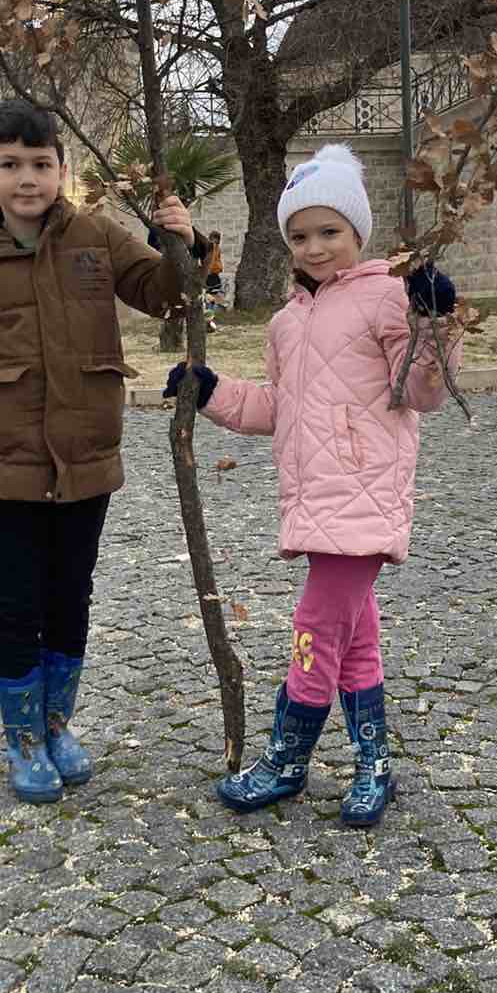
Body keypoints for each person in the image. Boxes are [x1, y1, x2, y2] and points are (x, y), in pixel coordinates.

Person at [0, 99, 209, 804]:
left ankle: (57, 723)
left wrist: (184, 244)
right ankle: (22, 736)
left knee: (71, 596)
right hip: (6, 465)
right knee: (16, 602)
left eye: (41, 164)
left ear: (63, 169)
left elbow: (165, 296)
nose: (27, 178)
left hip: (86, 457)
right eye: (11, 164)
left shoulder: (95, 234)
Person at [164, 143, 459, 827]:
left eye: (329, 232)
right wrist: (209, 392)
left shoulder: (390, 296)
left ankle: (288, 759)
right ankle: (373, 763)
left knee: (313, 627)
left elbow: (422, 390)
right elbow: (278, 407)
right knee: (353, 638)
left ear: (359, 232)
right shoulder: (285, 322)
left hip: (363, 497)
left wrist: (434, 320)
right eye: (300, 235)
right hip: (314, 500)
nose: (315, 247)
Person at [205, 230, 224, 296]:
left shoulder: (216, 247)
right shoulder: (212, 247)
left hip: (214, 272)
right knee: (213, 292)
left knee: (214, 291)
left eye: (217, 238)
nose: (216, 240)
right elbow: (211, 259)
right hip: (211, 273)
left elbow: (216, 259)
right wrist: (209, 270)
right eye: (215, 238)